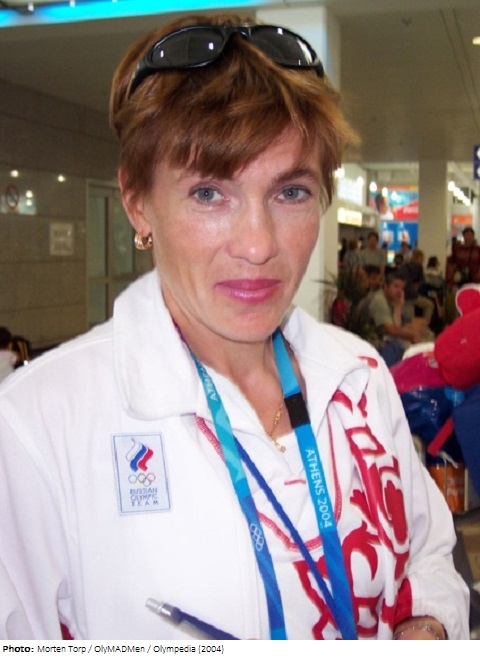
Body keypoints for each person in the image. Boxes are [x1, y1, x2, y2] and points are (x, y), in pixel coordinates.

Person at [0, 14, 468, 641]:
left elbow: (431, 554)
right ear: (138, 203)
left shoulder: (358, 379)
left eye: (290, 192)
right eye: (209, 194)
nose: (258, 245)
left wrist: (427, 629)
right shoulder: (38, 425)